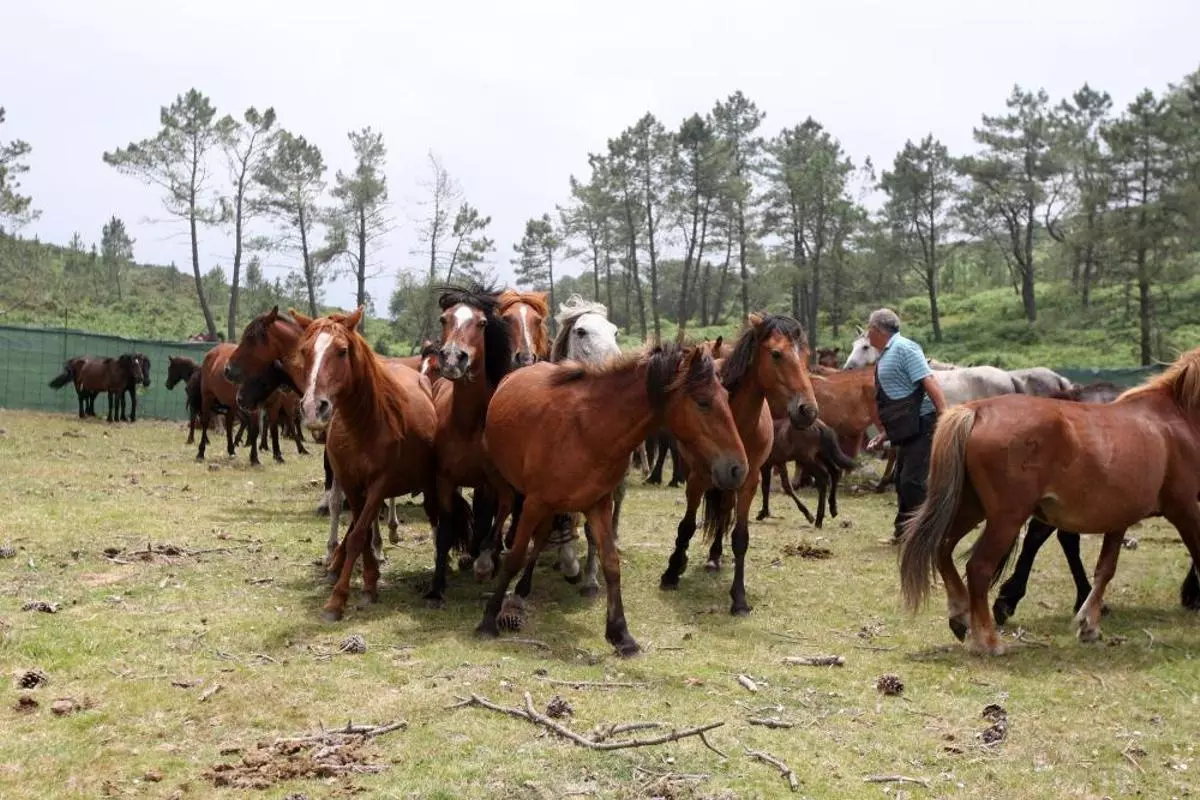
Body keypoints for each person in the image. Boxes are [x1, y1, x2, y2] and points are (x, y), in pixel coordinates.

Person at [862, 309, 947, 543]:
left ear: (876, 330)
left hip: (924, 423)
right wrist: (884, 434)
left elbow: (929, 382)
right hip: (908, 426)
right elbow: (899, 403)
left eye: (869, 328)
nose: (867, 333)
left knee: (912, 481)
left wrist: (944, 418)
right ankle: (903, 533)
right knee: (901, 479)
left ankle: (928, 536)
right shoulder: (887, 353)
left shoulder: (905, 348)